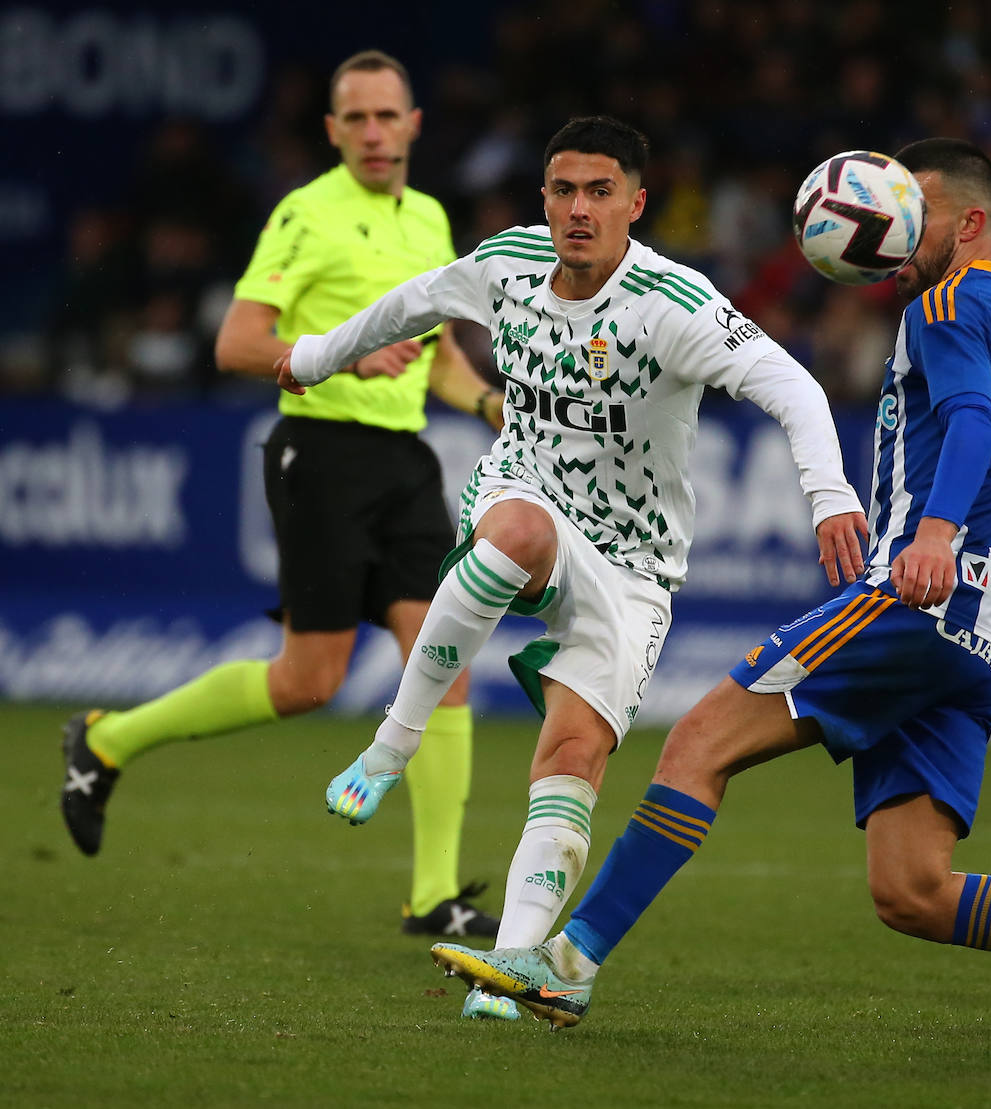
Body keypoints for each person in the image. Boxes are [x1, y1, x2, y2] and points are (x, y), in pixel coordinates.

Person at [430, 139, 991, 1052]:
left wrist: (933, 540)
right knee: (913, 890)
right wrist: (986, 575)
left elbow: (969, 421)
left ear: (968, 225)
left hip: (918, 596)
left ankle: (565, 965)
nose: (896, 233)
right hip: (986, 627)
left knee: (697, 743)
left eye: (912, 213)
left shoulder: (947, 300)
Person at [274, 115, 868, 1022]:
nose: (578, 210)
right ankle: (393, 744)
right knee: (511, 537)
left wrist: (828, 493)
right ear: (542, 197)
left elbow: (792, 384)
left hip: (635, 561)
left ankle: (510, 972)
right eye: (563, 190)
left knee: (573, 755)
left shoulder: (672, 303)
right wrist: (314, 358)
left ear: (637, 202)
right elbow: (413, 304)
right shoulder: (507, 263)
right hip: (528, 489)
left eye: (599, 192)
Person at [59, 50, 505, 939]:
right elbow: (235, 341)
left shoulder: (429, 217)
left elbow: (440, 355)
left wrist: (491, 403)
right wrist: (336, 351)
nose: (375, 133)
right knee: (309, 680)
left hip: (405, 460)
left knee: (441, 657)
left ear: (415, 125)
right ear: (333, 130)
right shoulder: (305, 215)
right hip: (322, 455)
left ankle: (433, 896)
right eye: (357, 119)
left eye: (389, 116)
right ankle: (107, 739)